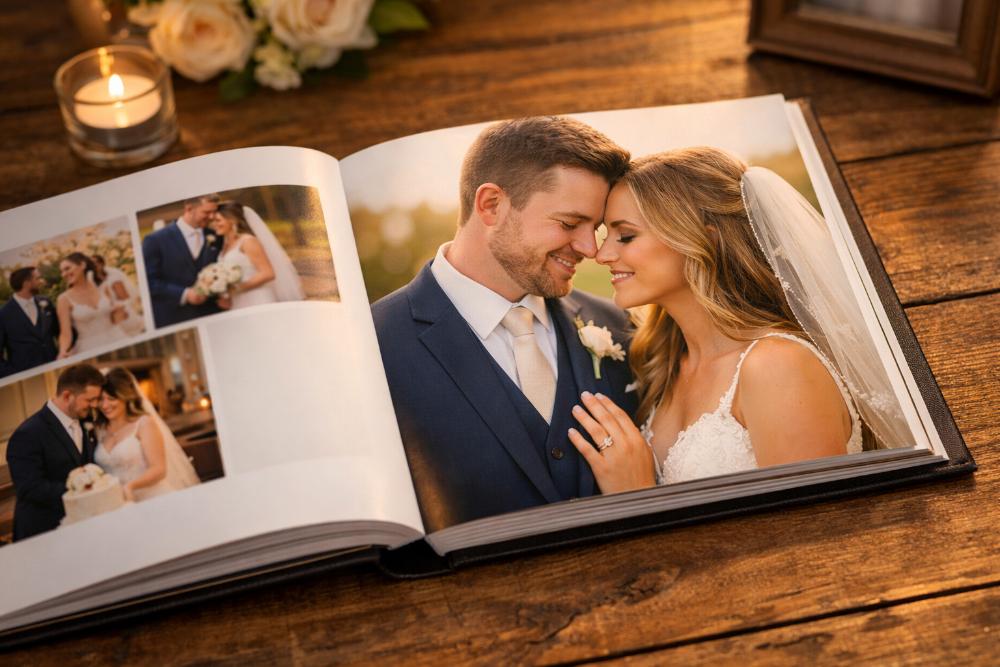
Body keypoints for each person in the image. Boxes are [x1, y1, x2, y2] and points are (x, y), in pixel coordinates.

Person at [569, 147, 909, 494]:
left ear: (704, 238)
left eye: (625, 236)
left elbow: (814, 540)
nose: (601, 254)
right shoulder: (666, 364)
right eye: (604, 236)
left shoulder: (778, 368)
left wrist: (638, 497)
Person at [372, 116, 635, 533]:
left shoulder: (618, 325)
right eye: (569, 224)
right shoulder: (372, 343)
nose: (590, 248)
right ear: (491, 205)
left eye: (595, 228)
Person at [6, 364, 104, 541]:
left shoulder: (85, 422)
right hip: (44, 531)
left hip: (81, 526)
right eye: (89, 400)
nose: (94, 405)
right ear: (67, 395)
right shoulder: (28, 433)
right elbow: (30, 489)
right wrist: (82, 487)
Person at [93, 367, 200, 501]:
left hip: (152, 497)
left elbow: (159, 469)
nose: (105, 405)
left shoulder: (144, 423)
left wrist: (130, 486)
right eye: (101, 400)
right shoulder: (100, 429)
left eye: (111, 398)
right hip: (117, 502)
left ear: (125, 397)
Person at [142, 193, 224, 328]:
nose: (212, 217)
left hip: (213, 315)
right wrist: (184, 294)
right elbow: (148, 282)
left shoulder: (216, 236)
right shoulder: (155, 240)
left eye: (214, 212)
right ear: (189, 208)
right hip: (174, 319)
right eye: (207, 212)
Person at [211, 201, 305, 309]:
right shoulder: (225, 244)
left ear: (232, 220)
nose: (214, 224)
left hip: (257, 299)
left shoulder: (247, 240)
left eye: (218, 220)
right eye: (213, 221)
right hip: (238, 302)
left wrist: (236, 289)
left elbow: (268, 273)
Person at [55, 252, 129, 358]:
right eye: (62, 271)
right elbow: (65, 333)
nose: (64, 274)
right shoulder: (64, 299)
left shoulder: (103, 288)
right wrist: (62, 350)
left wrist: (120, 312)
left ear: (82, 265)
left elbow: (114, 320)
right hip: (88, 346)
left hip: (117, 336)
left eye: (67, 269)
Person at [0, 266, 59, 377]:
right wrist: (12, 374)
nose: (42, 281)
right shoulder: (3, 314)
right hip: (26, 374)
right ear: (27, 283)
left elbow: (59, 331)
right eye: (38, 278)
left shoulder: (45, 302)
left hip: (54, 365)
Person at [93, 254, 144, 336]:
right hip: (108, 320)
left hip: (123, 315)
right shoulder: (93, 284)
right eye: (91, 264)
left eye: (96, 263)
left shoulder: (113, 279)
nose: (94, 266)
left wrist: (114, 308)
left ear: (101, 264)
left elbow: (126, 299)